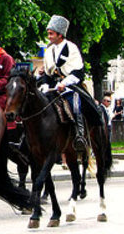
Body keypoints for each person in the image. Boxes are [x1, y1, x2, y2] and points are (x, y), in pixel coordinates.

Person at [37, 15, 88, 152]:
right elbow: (48, 73)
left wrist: (64, 83)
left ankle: (79, 136)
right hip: (53, 87)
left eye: (51, 33)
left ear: (60, 34)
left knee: (75, 106)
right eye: (48, 33)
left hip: (70, 87)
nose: (49, 36)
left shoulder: (72, 48)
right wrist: (46, 85)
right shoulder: (49, 50)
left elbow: (78, 73)